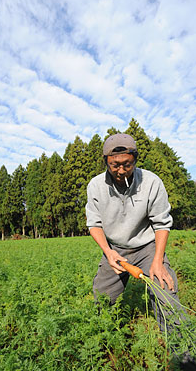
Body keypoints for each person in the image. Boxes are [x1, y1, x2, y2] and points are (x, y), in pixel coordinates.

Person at [85, 133, 196, 369]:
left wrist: (157, 261)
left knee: (166, 290)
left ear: (135, 159)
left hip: (147, 247)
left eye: (127, 164)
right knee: (102, 298)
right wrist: (108, 251)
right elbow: (94, 224)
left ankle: (185, 356)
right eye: (115, 165)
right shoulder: (95, 186)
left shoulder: (151, 182)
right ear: (106, 161)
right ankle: (100, 345)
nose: (121, 170)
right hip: (115, 249)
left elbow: (162, 223)